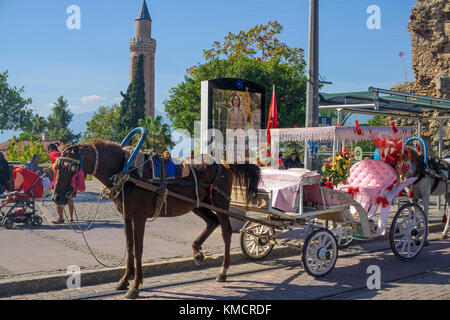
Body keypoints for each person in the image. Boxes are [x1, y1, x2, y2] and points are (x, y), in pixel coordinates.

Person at [47, 144, 74, 224]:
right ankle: (71, 217)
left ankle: (61, 218)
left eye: (48, 151)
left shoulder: (53, 154)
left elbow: (58, 162)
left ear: (51, 149)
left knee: (58, 197)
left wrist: (51, 168)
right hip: (69, 178)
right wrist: (50, 167)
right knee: (70, 197)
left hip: (59, 178)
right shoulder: (63, 154)